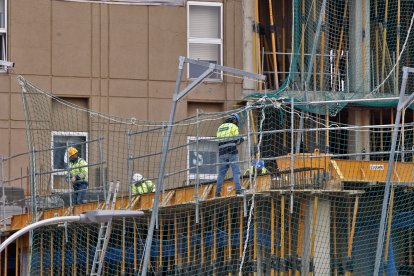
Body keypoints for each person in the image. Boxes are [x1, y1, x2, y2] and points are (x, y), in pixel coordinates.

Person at [215, 114, 244, 197]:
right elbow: (236, 141)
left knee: (221, 174)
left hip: (222, 152)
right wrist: (243, 139)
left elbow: (219, 141)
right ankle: (238, 190)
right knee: (236, 171)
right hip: (232, 151)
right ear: (234, 120)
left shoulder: (220, 128)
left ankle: (217, 192)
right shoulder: (233, 127)